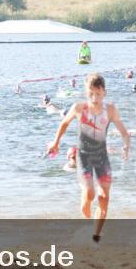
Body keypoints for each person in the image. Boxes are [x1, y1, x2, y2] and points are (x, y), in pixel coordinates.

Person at [47, 73, 130, 242]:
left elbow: (124, 132)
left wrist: (126, 145)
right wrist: (55, 143)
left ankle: (96, 235)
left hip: (101, 157)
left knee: (104, 197)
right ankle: (86, 221)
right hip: (84, 156)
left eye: (98, 94)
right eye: (91, 93)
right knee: (90, 194)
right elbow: (64, 123)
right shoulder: (79, 108)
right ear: (86, 92)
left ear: (104, 92)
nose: (94, 98)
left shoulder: (111, 110)